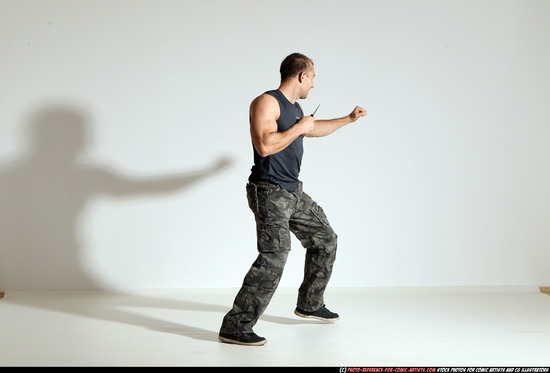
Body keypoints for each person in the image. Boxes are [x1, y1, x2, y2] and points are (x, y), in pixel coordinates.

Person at [218, 53, 367, 346]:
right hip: (269, 190)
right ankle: (235, 325)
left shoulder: (296, 108)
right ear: (301, 76)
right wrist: (300, 127)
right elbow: (264, 145)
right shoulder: (266, 102)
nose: (313, 83)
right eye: (312, 76)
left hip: (292, 191)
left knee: (325, 238)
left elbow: (314, 129)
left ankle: (310, 303)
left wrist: (348, 119)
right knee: (274, 256)